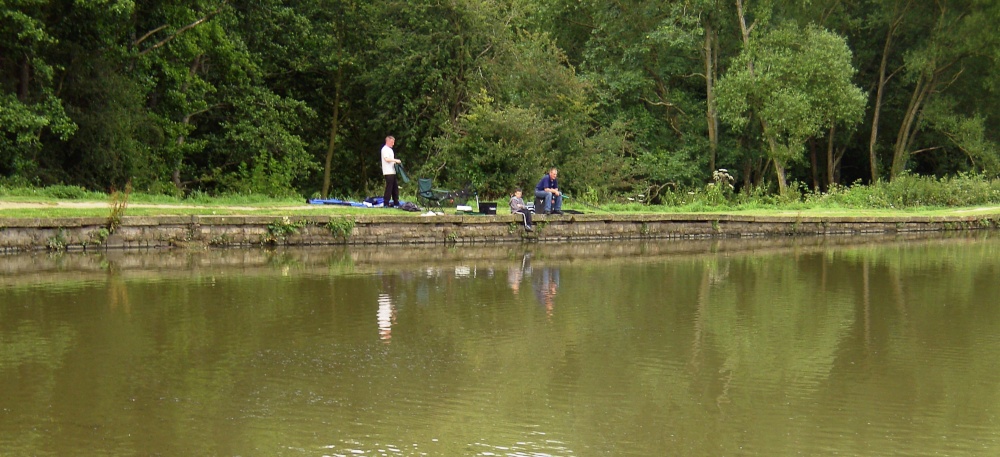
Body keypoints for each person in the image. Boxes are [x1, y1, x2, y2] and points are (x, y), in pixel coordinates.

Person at [381, 136, 401, 207]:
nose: (393, 144)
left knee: (395, 187)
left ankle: (396, 202)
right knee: (389, 187)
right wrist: (395, 160)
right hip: (388, 172)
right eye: (392, 142)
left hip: (393, 171)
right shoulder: (385, 149)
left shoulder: (390, 150)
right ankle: (386, 202)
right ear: (388, 141)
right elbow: (387, 159)